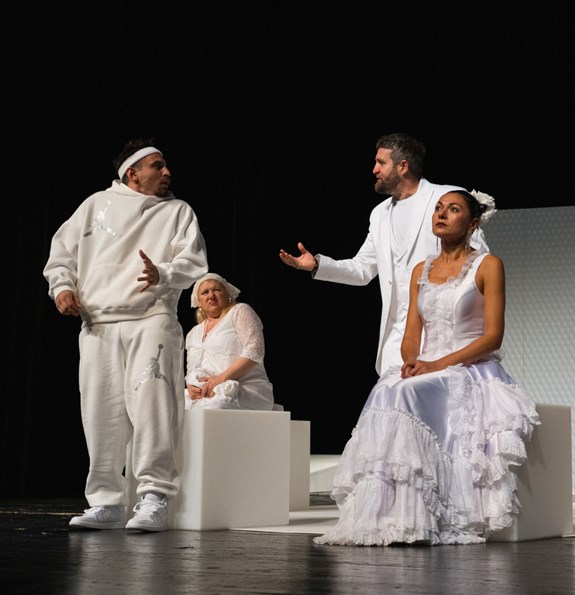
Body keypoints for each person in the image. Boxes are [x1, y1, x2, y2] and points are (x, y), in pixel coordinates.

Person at [314, 189, 540, 546]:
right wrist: (410, 361)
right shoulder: (422, 269)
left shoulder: (488, 265)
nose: (442, 214)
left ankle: (424, 515)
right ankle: (388, 516)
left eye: (453, 209)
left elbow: (492, 337)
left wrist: (437, 364)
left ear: (473, 223)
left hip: (470, 367)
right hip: (428, 366)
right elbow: (412, 333)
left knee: (404, 394)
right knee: (387, 389)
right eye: (438, 208)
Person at [43, 138, 208, 532]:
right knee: (100, 413)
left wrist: (163, 273)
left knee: (153, 410)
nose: (167, 172)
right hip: (97, 324)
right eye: (158, 165)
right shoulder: (94, 205)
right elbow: (61, 255)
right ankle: (106, 502)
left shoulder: (178, 211)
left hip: (150, 318)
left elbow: (193, 261)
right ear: (132, 173)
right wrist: (62, 288)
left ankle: (154, 498)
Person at [278, 132, 488, 377]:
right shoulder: (379, 214)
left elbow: (478, 261)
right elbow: (362, 269)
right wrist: (316, 265)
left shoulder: (447, 199)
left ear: (403, 166)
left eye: (381, 162)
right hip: (397, 338)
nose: (374, 169)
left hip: (443, 335)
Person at [184, 273, 276, 411]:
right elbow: (191, 369)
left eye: (216, 290)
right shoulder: (193, 333)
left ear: (227, 294)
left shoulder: (239, 312)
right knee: (173, 407)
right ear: (199, 301)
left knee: (217, 406)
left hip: (247, 388)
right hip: (207, 392)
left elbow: (254, 349)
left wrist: (221, 379)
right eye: (205, 292)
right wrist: (192, 386)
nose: (211, 296)